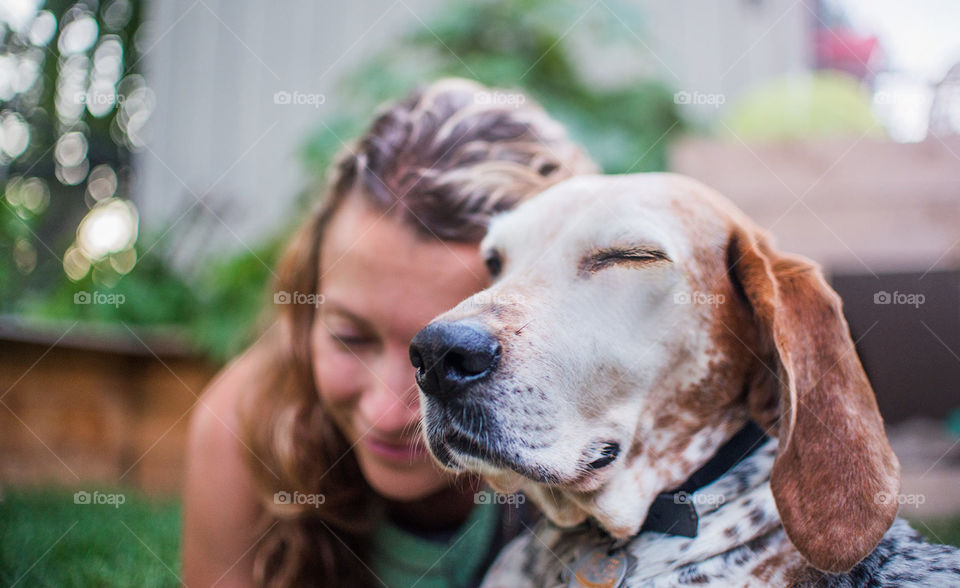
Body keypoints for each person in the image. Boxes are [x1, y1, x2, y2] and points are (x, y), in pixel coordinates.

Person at [182, 78, 596, 587]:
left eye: (456, 358)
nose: (385, 412)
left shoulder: (621, 442)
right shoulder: (244, 425)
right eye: (349, 338)